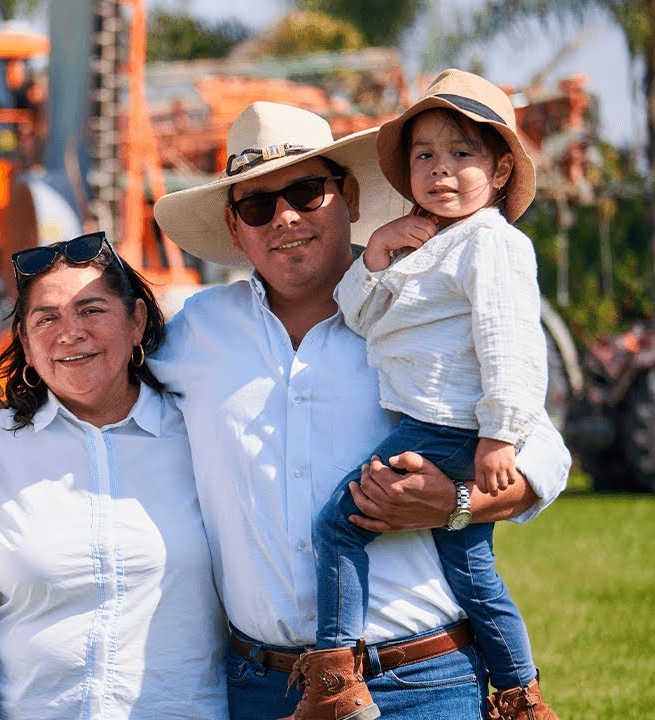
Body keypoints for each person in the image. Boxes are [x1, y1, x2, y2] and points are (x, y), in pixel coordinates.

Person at [148, 101, 571, 719]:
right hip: (262, 687)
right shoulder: (196, 333)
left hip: (421, 681)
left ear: (346, 195)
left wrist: (455, 504)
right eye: (258, 206)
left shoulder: (420, 308)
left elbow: (545, 457)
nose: (285, 217)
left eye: (305, 191)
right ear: (236, 228)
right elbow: (94, 387)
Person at [303, 69, 561, 720]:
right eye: (424, 156)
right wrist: (380, 255)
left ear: (500, 171)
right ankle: (521, 694)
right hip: (443, 426)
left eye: (461, 154)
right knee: (471, 569)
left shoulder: (493, 244)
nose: (440, 170)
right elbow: (357, 316)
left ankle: (336, 681)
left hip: (446, 427)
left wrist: (502, 433)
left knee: (339, 526)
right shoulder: (424, 246)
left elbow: (510, 342)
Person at [0, 231, 228, 719]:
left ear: (137, 322)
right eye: (46, 318)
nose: (70, 333)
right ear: (24, 340)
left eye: (92, 310)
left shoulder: (203, 433)